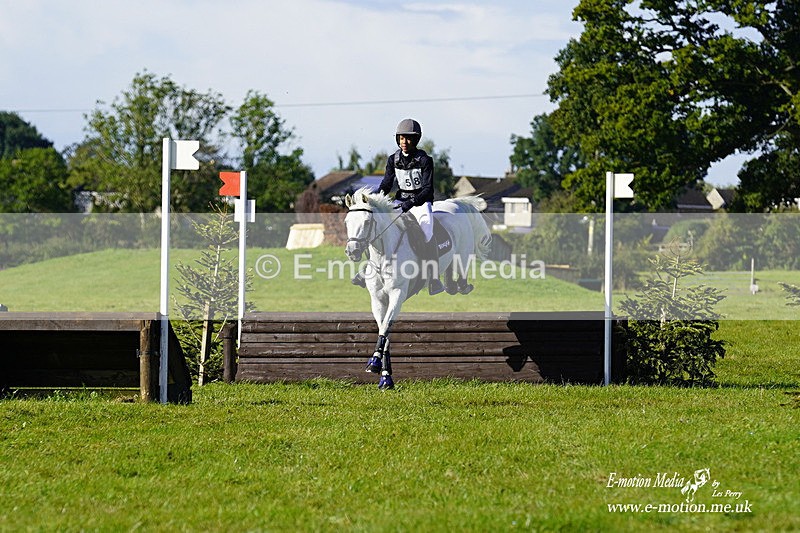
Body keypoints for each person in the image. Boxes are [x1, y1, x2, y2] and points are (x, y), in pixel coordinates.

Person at [352, 118, 444, 295]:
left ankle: (433, 278)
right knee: (379, 229)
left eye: (408, 138)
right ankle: (366, 271)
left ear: (415, 140)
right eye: (401, 138)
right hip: (399, 202)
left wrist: (411, 202)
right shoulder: (393, 159)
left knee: (427, 233)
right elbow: (386, 184)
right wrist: (376, 200)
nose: (404, 142)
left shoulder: (425, 160)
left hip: (420, 203)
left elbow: (427, 189)